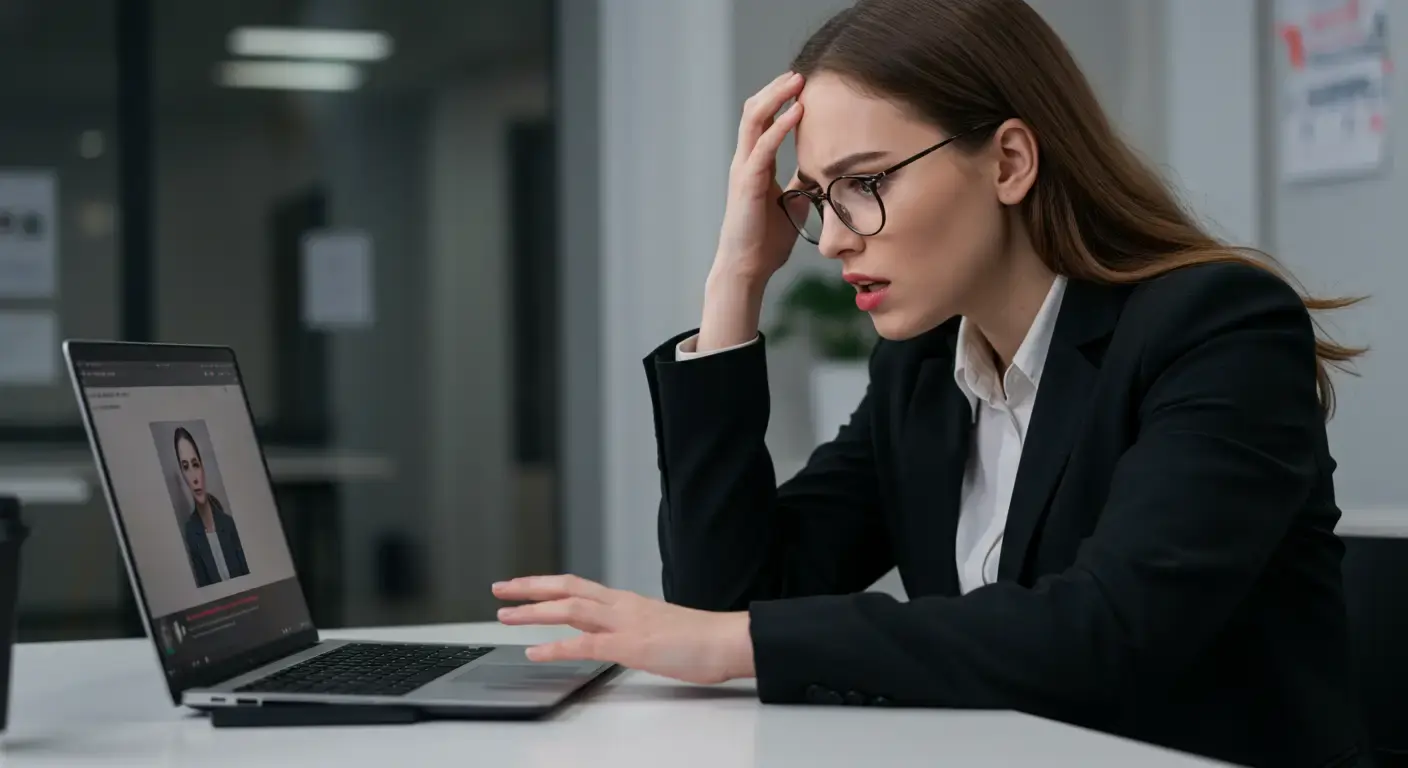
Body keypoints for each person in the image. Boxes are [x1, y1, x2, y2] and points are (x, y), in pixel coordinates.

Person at [493, 0, 1370, 764]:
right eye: (818, 199)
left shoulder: (1218, 326)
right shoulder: (923, 368)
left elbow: (1106, 632)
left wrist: (735, 642)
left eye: (865, 183)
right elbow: (733, 593)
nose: (833, 238)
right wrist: (735, 283)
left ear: (1010, 162)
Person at [175, 427, 249, 587]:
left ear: (202, 468)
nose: (194, 478)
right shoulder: (191, 532)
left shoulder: (229, 524)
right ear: (183, 475)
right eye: (186, 467)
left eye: (195, 464)